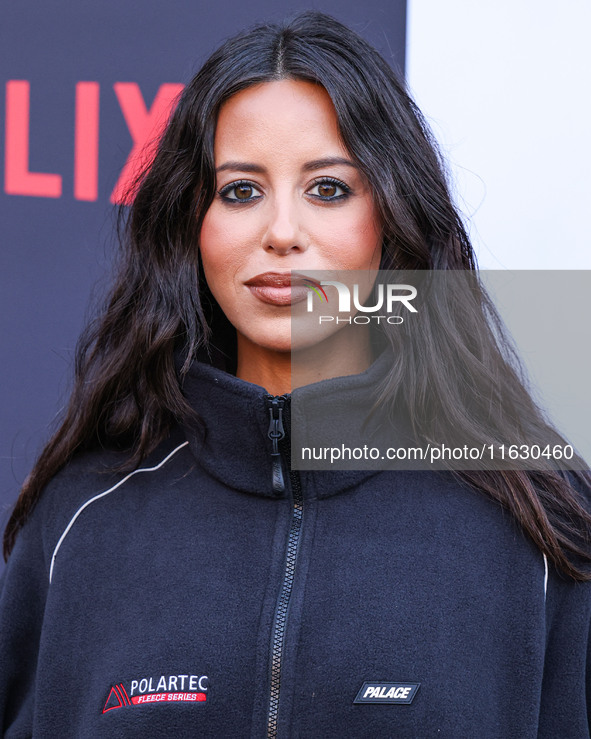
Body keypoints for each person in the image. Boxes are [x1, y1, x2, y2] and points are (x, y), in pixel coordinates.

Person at [1, 11, 590, 738]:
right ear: (193, 223)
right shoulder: (78, 523)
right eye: (241, 191)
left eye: (329, 189)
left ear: (393, 217)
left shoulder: (539, 523)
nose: (281, 231)